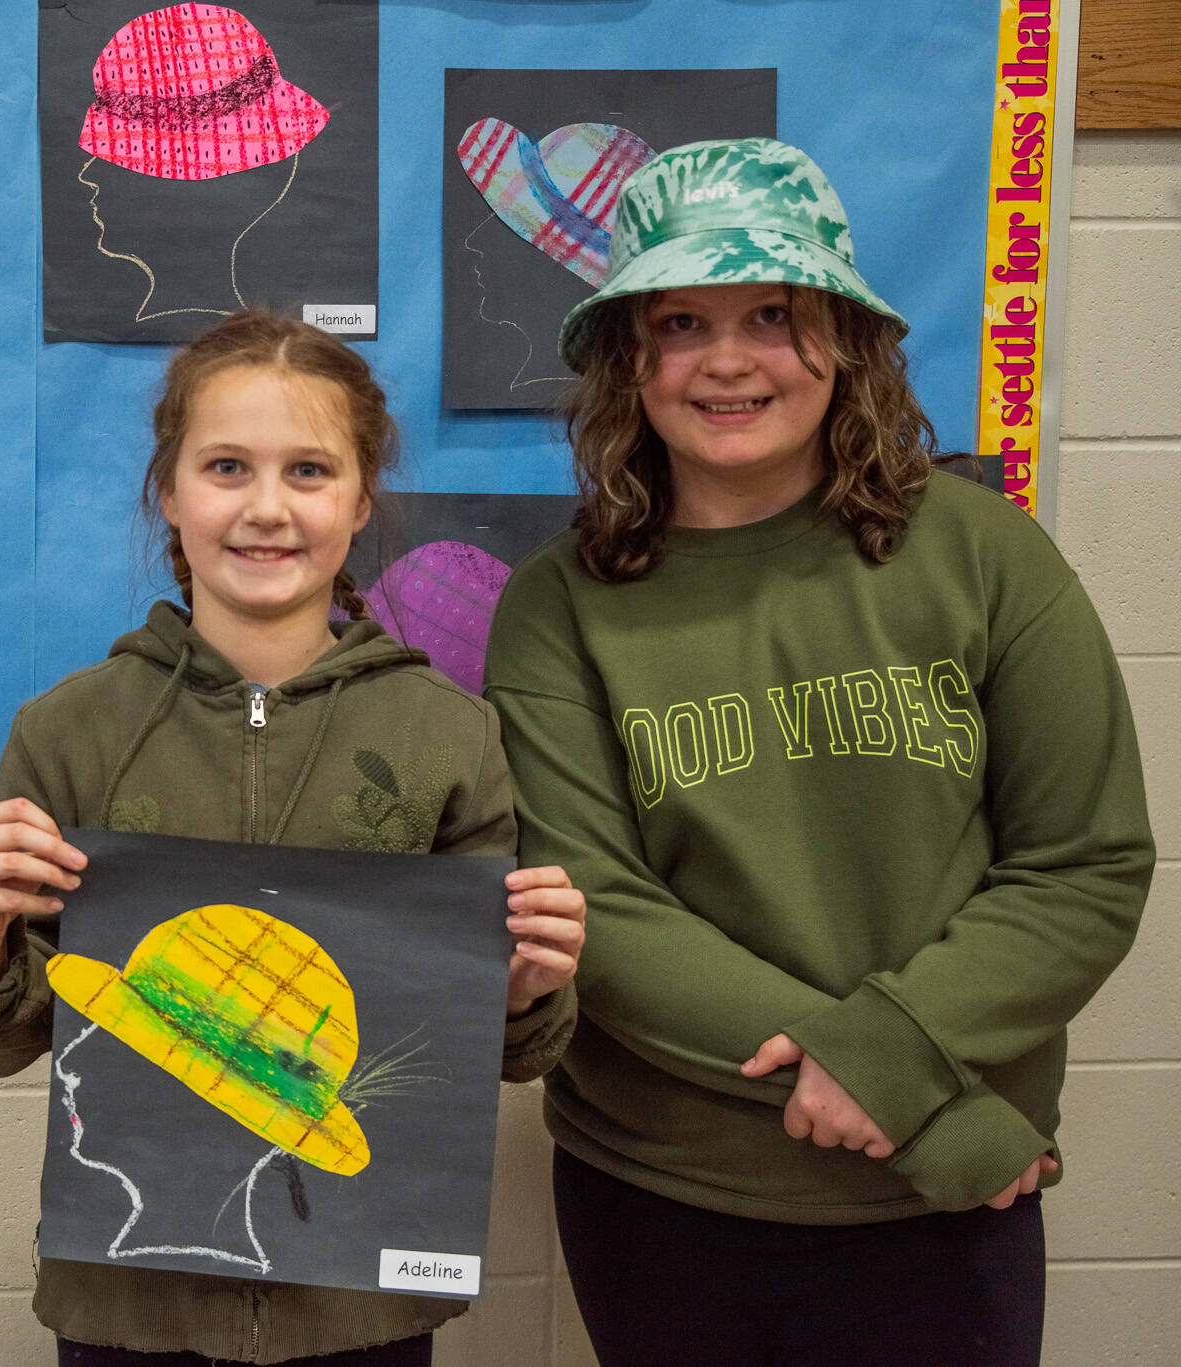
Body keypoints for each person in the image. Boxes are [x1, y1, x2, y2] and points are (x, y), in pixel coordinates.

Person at [484, 138, 1155, 1367]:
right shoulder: (556, 606)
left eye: (772, 315)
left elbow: (1082, 863)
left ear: (842, 339)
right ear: (628, 359)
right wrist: (920, 1105)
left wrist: (895, 1060)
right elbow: (598, 909)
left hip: (938, 1204)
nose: (727, 359)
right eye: (680, 322)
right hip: (668, 1194)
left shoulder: (983, 555)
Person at [0, 310, 587, 1366]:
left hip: (353, 1309)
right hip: (129, 1303)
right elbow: (5, 1038)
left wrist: (522, 984)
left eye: (308, 470)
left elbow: (482, 1059)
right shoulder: (69, 731)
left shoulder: (447, 738)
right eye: (226, 466)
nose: (266, 507)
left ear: (360, 500)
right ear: (168, 491)